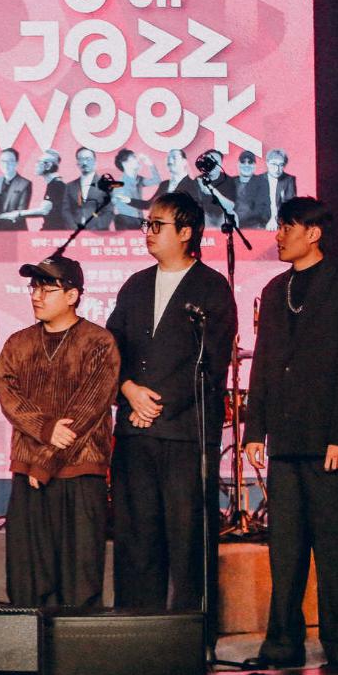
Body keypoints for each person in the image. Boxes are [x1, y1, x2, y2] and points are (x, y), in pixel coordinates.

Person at [243, 197, 338, 668]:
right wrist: (254, 429)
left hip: (327, 441)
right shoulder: (276, 289)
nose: (278, 236)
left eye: (287, 227)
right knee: (285, 551)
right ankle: (282, 644)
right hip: (285, 440)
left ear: (313, 233)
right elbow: (262, 363)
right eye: (279, 226)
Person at [107, 192, 236, 617]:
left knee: (188, 540)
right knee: (136, 538)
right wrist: (128, 389)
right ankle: (137, 629)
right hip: (134, 432)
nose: (148, 232)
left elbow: (212, 363)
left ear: (186, 232)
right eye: (147, 224)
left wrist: (156, 405)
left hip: (185, 435)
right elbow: (110, 348)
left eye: (157, 225)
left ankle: (192, 633)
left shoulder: (211, 287)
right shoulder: (136, 284)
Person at [0, 255, 119, 607]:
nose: (36, 296)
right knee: (28, 577)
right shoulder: (18, 343)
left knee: (80, 578)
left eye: (47, 289)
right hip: (28, 474)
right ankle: (30, 641)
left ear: (72, 295)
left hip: (80, 474)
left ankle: (76, 643)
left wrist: (46, 462)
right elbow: (8, 396)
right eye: (34, 287)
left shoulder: (98, 342)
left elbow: (88, 409)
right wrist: (44, 429)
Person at [2, 149, 66, 230]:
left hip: (53, 231)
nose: (35, 165)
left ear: (48, 166)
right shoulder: (55, 184)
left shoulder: (56, 185)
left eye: (39, 162)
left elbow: (44, 211)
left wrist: (18, 213)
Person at [246, 149, 299, 231]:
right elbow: (251, 207)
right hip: (259, 223)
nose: (277, 169)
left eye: (281, 165)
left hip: (281, 222)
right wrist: (267, 222)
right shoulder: (256, 180)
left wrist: (276, 219)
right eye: (274, 164)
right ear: (267, 163)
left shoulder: (289, 179)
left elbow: (290, 206)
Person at [110, 148, 161, 230]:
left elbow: (157, 181)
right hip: (128, 227)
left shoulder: (138, 179)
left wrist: (150, 164)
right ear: (124, 163)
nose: (138, 160)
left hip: (138, 224)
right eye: (134, 157)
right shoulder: (120, 186)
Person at [63, 147, 112, 230]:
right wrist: (74, 228)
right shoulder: (70, 186)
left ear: (95, 162)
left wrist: (94, 228)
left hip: (98, 232)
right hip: (75, 231)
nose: (84, 163)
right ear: (77, 163)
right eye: (81, 159)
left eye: (88, 159)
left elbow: (109, 211)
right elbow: (65, 210)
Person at [0, 147, 33, 231]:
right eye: (3, 161)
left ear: (17, 163)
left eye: (10, 161)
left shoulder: (24, 184)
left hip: (16, 229)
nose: (6, 164)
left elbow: (21, 211)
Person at [195, 149, 239, 228]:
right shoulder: (198, 180)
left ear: (221, 164)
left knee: (233, 216)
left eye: (216, 161)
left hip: (222, 215)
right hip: (205, 216)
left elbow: (230, 207)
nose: (212, 164)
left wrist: (212, 191)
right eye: (210, 161)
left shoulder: (228, 180)